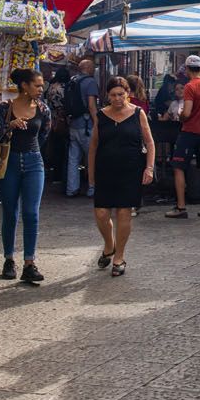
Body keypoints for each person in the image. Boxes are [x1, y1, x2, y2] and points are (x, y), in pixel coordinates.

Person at [89, 76, 156, 277]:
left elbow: (150, 143)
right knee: (101, 213)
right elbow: (93, 146)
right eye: (113, 95)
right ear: (107, 96)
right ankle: (109, 245)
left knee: (124, 212)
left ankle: (119, 256)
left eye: (121, 94)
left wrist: (149, 168)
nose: (117, 99)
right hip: (105, 169)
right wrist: (90, 175)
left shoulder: (138, 113)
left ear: (127, 94)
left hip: (131, 169)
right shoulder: (101, 115)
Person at [0, 69, 50, 284]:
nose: (41, 89)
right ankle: (8, 259)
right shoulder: (6, 107)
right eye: (38, 85)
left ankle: (29, 263)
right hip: (9, 162)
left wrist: (32, 151)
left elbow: (44, 135)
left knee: (31, 213)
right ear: (24, 85)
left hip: (34, 162)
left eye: (42, 86)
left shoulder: (43, 109)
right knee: (10, 212)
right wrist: (9, 126)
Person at [167, 54, 200, 218]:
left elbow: (187, 112)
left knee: (178, 167)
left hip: (189, 131)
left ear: (187, 69)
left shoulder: (190, 86)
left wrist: (180, 117)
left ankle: (181, 207)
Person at [65, 58, 100, 198]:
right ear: (89, 68)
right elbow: (92, 105)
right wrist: (97, 122)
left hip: (73, 124)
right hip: (86, 126)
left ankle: (71, 189)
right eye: (93, 67)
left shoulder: (72, 80)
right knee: (92, 157)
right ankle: (92, 188)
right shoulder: (90, 82)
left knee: (73, 159)